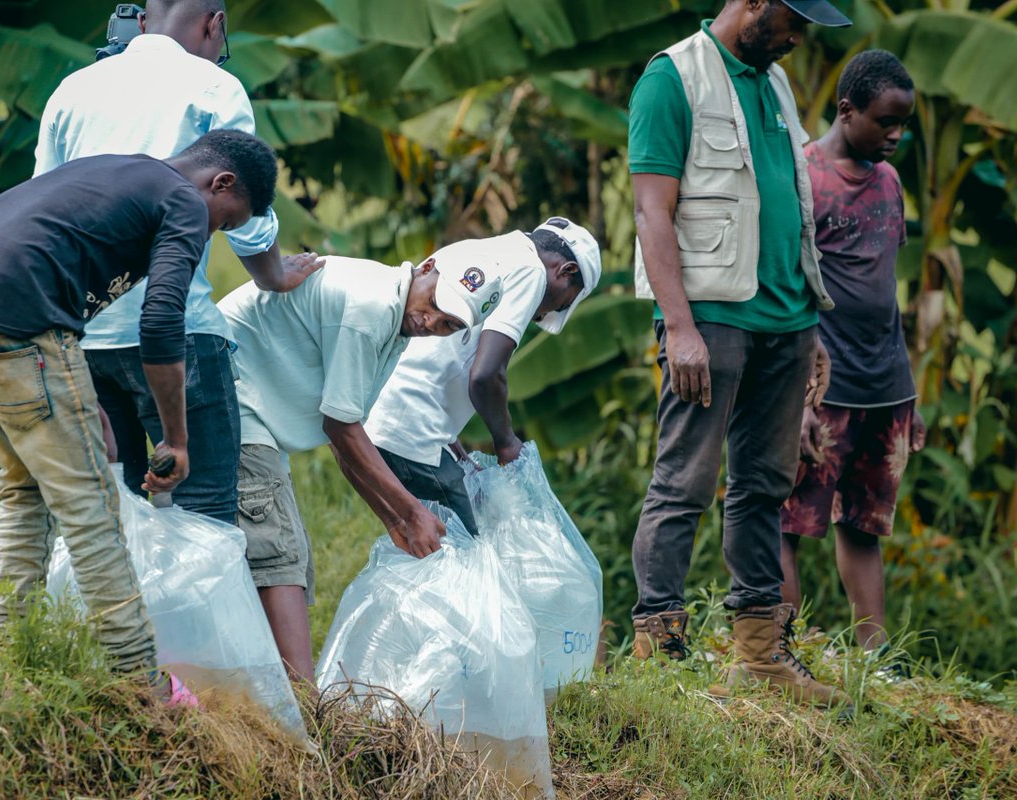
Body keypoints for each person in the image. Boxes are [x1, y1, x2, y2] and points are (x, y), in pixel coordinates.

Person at [0, 129, 278, 703]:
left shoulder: (120, 173)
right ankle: (141, 682)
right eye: (226, 221)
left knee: (25, 487)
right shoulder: (183, 199)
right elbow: (163, 319)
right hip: (19, 322)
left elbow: (49, 258)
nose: (213, 232)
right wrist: (177, 440)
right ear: (222, 183)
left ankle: (10, 648)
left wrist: (77, 387)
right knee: (90, 504)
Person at [627, 0, 853, 707]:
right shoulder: (673, 78)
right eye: (791, 19)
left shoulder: (775, 82)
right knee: (683, 484)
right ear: (752, 2)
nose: (796, 37)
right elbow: (650, 211)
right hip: (712, 321)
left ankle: (759, 653)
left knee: (764, 486)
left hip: (787, 321)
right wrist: (679, 325)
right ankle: (657, 653)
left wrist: (811, 323)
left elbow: (788, 208)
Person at [34, 0, 321, 523]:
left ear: (141, 23)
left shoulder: (73, 89)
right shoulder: (215, 87)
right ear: (216, 24)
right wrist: (275, 275)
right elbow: (241, 192)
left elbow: (43, 204)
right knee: (204, 512)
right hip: (178, 333)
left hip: (84, 337)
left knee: (107, 516)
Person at [217, 256, 505, 681]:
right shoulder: (372, 308)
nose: (430, 321)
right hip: (227, 391)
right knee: (281, 554)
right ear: (426, 269)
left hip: (246, 402)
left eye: (447, 325)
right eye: (436, 303)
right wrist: (412, 512)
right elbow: (342, 427)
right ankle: (302, 709)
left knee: (269, 556)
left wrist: (392, 518)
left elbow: (340, 432)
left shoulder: (395, 317)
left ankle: (264, 692)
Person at [780, 51, 922, 653]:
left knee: (864, 526)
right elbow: (787, 288)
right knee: (785, 519)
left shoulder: (889, 181)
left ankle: (875, 658)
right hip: (824, 389)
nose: (896, 136)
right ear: (846, 110)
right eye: (885, 122)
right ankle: (778, 648)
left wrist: (909, 393)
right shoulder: (806, 180)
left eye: (903, 124)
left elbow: (885, 294)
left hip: (885, 386)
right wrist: (798, 398)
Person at [364, 218, 601, 535]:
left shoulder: (488, 250)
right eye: (565, 301)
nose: (546, 314)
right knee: (477, 546)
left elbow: (436, 359)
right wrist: (507, 444)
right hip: (409, 432)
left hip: (385, 417)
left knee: (436, 551)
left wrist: (456, 451)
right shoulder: (530, 271)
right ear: (566, 271)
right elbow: (486, 376)